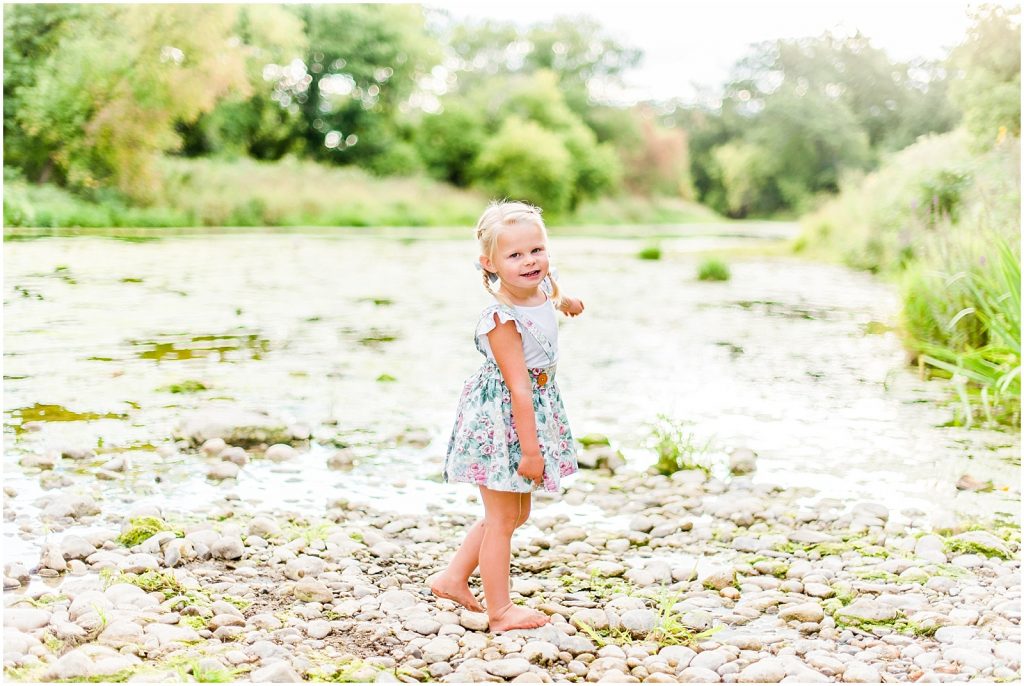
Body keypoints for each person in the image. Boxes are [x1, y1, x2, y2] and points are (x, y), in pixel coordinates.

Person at [430, 199, 585, 633]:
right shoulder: (502, 317)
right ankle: (500, 612)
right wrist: (531, 452)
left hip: (531, 405)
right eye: (515, 256)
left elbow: (550, 292)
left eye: (536, 250)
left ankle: (452, 577)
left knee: (516, 513)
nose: (529, 262)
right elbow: (518, 387)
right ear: (490, 263)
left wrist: (567, 301)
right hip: (505, 420)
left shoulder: (540, 284)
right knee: (501, 518)